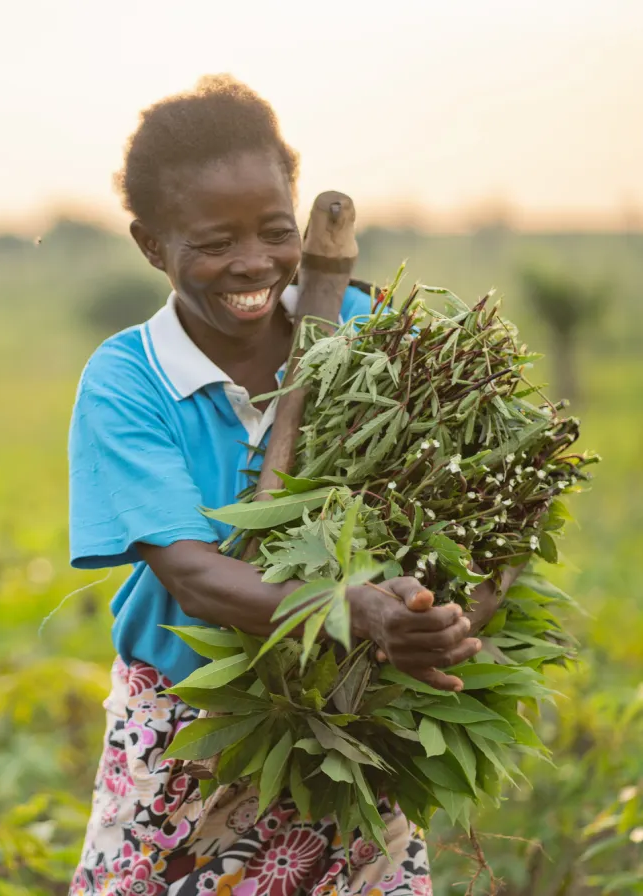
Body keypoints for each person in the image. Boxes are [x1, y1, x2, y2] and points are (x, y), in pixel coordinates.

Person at [66, 75, 504, 895]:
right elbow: (193, 575)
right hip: (190, 728)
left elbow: (474, 504)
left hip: (355, 721)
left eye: (274, 231)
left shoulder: (373, 335)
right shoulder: (129, 380)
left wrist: (437, 617)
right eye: (213, 242)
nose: (252, 263)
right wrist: (353, 608)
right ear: (151, 245)